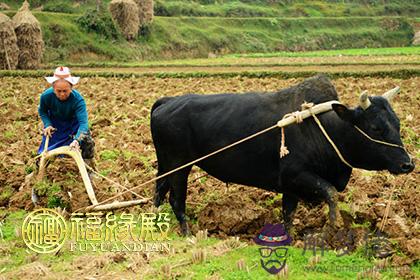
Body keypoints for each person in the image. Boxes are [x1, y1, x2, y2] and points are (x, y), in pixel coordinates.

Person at [37, 66, 96, 170]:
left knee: (87, 142)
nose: (62, 94)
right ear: (53, 88)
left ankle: (90, 170)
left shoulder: (78, 100)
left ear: (71, 88)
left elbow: (83, 124)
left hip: (74, 125)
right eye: (58, 91)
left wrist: (77, 140)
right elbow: (42, 111)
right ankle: (41, 172)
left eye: (65, 91)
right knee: (44, 153)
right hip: (56, 126)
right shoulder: (46, 96)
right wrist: (47, 124)